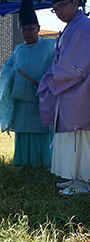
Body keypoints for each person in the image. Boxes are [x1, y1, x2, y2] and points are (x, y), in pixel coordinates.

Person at [37, 0, 90, 195]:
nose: (59, 12)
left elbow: (75, 65)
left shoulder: (84, 27)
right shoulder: (71, 27)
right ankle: (75, 177)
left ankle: (84, 181)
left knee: (81, 137)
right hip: (69, 89)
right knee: (71, 137)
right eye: (55, 8)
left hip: (80, 90)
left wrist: (52, 79)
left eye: (62, 5)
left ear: (76, 1)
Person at [0, 0, 55, 168]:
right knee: (23, 134)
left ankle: (43, 164)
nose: (26, 33)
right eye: (23, 29)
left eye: (30, 29)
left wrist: (44, 82)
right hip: (22, 102)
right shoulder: (18, 49)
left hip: (41, 100)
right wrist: (9, 74)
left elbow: (56, 68)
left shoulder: (51, 46)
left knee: (40, 134)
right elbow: (7, 68)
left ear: (38, 28)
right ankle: (23, 164)